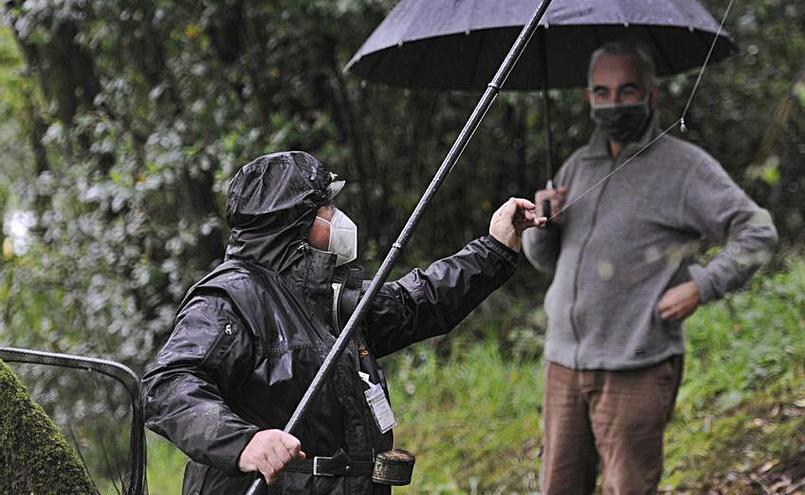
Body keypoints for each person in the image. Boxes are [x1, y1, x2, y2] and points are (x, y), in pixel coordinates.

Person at [142, 151, 544, 494]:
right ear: (297, 222)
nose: (336, 216)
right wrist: (244, 443)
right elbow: (167, 386)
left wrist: (493, 249)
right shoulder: (230, 299)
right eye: (326, 207)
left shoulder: (324, 295)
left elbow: (415, 303)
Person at [522, 42, 778, 494]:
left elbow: (757, 232)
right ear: (588, 98)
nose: (614, 102)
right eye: (602, 92)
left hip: (635, 366)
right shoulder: (577, 166)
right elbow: (544, 260)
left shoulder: (683, 167)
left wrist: (703, 286)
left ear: (652, 96)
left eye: (627, 90)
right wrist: (544, 225)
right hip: (563, 362)